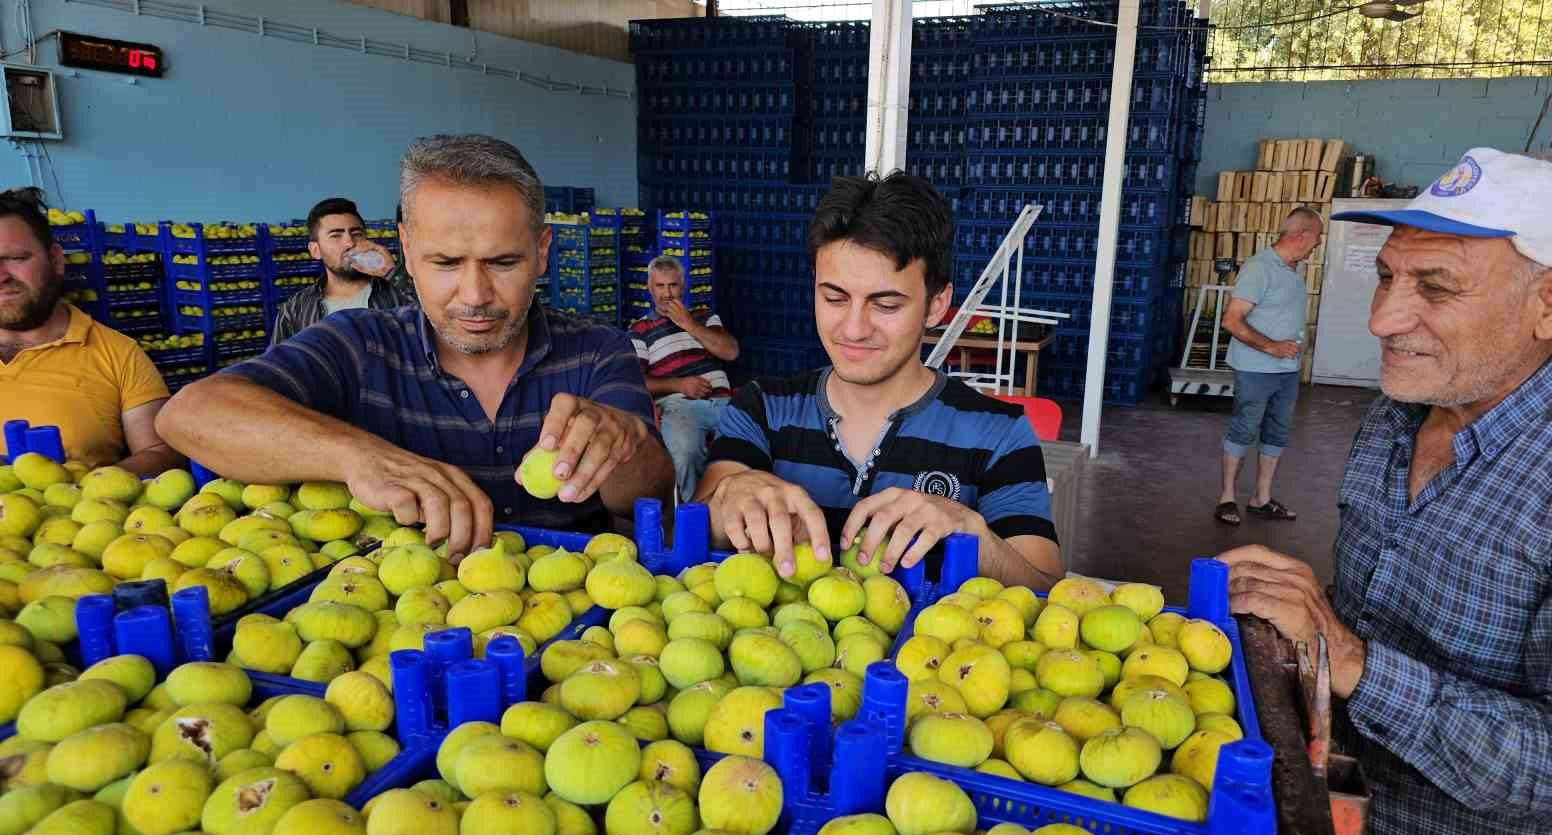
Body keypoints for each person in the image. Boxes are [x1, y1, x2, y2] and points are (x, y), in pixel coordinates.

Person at [1219, 148, 1552, 835]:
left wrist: (1353, 662)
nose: (1382, 317)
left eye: (1435, 286)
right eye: (1389, 275)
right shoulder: (1399, 414)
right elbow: (1372, 606)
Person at [157, 135, 674, 557]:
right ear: (405, 249)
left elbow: (646, 494)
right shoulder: (358, 345)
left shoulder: (596, 350)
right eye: (445, 264)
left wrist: (623, 441)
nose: (475, 296)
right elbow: (190, 414)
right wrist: (357, 455)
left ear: (541, 253)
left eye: (503, 263)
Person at [697, 172, 1063, 589]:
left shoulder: (999, 433)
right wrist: (728, 498)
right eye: (834, 298)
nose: (853, 329)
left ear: (936, 305)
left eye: (885, 305)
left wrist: (974, 533)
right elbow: (695, 531)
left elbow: (1046, 590)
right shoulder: (762, 408)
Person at [0, 187, 184, 473]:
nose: (2, 276)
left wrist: (82, 490)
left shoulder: (118, 354)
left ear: (56, 260)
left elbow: (160, 453)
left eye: (16, 258)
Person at [1214, 206, 1324, 526]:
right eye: (1316, 237)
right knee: (1244, 428)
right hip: (1256, 368)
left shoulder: (1292, 270)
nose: (1318, 243)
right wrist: (1271, 346)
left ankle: (1261, 498)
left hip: (1286, 371)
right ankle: (1227, 498)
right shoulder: (1259, 268)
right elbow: (1232, 321)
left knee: (1277, 432)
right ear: (1301, 234)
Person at [629, 254, 740, 502]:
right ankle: (691, 517)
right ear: (650, 288)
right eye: (660, 286)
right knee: (684, 453)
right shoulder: (640, 330)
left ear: (683, 286)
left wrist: (688, 323)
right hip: (681, 406)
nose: (667, 293)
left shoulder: (704, 317)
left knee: (750, 448)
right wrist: (679, 385)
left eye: (673, 285)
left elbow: (730, 351)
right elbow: (635, 382)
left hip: (724, 403)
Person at [271, 197, 413, 344]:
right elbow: (279, 363)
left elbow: (433, 320)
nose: (349, 243)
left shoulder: (397, 291)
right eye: (336, 236)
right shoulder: (295, 310)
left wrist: (391, 271)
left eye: (356, 234)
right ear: (315, 250)